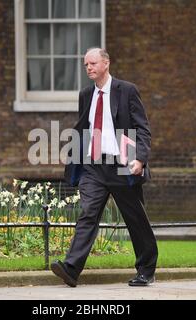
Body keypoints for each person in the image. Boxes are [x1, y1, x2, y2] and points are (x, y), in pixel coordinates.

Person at [51, 48, 158, 287]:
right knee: (88, 213)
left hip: (122, 163)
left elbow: (142, 127)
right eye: (85, 65)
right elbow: (84, 127)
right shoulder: (86, 94)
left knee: (135, 218)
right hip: (93, 166)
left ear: (106, 63)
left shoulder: (127, 90)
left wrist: (139, 158)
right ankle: (71, 268)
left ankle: (147, 270)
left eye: (92, 63)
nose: (88, 68)